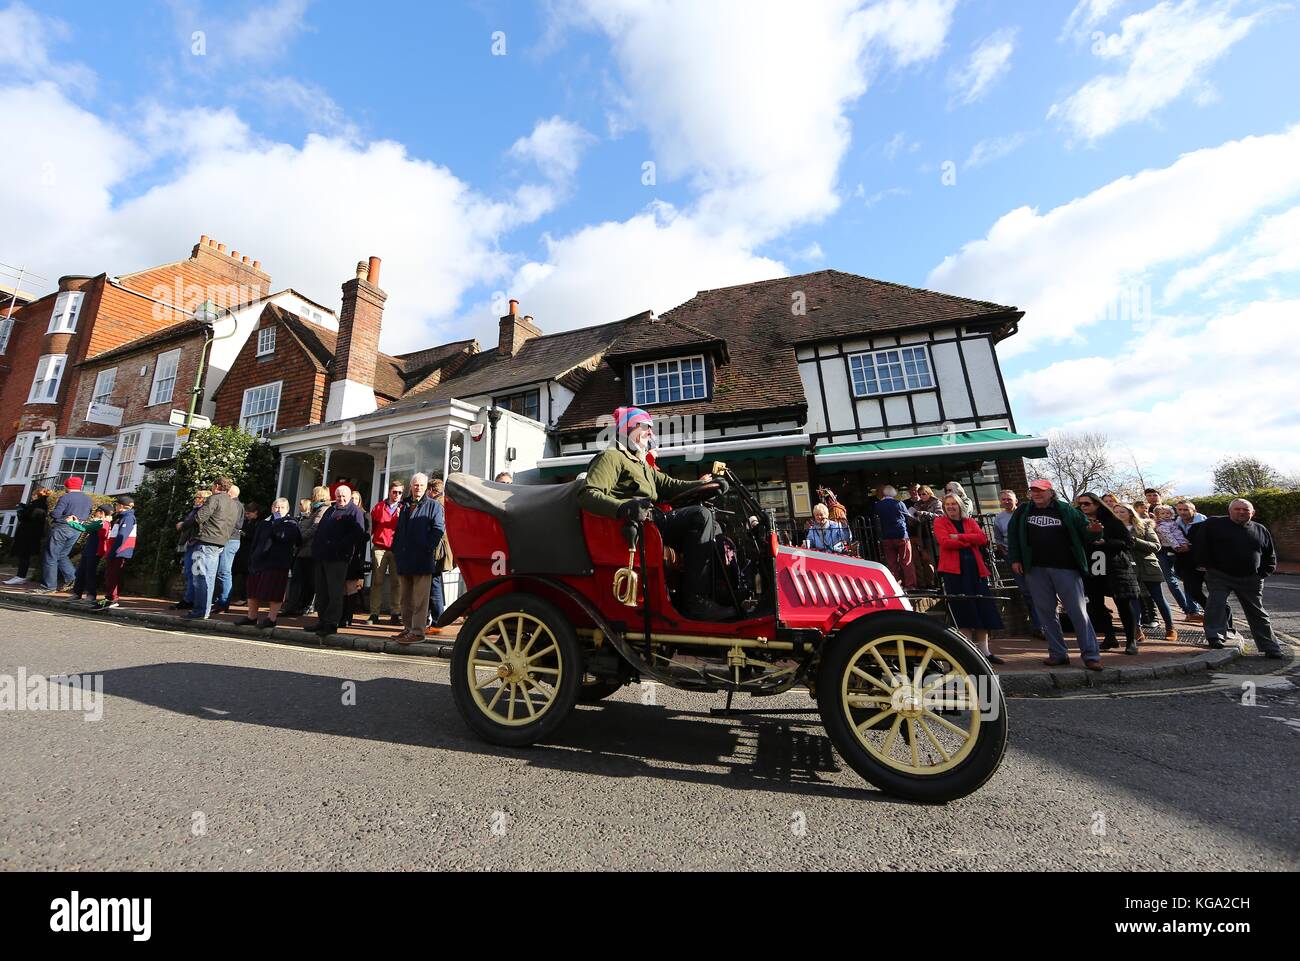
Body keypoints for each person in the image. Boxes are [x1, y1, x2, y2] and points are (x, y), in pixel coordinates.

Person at [577, 406, 732, 621]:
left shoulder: (641, 464)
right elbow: (587, 495)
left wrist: (708, 485)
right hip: (642, 524)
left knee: (713, 524)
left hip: (654, 522)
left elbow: (670, 485)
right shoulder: (611, 457)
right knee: (700, 516)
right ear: (628, 428)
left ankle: (718, 589)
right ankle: (695, 601)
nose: (651, 433)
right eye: (645, 427)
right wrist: (622, 508)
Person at [1008, 478, 1103, 670]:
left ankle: (1091, 655)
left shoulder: (1066, 510)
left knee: (1078, 611)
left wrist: (1095, 532)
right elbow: (1013, 535)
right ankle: (1058, 653)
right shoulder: (1024, 511)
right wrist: (1016, 559)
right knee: (1046, 613)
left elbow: (1087, 532)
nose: (1036, 494)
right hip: (1035, 569)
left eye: (1041, 491)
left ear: (1051, 492)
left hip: (1065, 568)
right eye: (1033, 491)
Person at [1196, 499, 1283, 658]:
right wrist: (1208, 565)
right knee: (1216, 603)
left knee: (1257, 612)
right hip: (1220, 575)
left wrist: (1263, 572)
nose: (1242, 512)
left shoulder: (1260, 529)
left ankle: (1270, 646)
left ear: (1253, 513)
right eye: (1237, 509)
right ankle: (1215, 636)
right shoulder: (1213, 524)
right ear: (1229, 511)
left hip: (1251, 578)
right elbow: (1201, 545)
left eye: (1246, 510)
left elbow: (1270, 554)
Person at [936, 494, 1005, 663]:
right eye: (948, 504)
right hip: (954, 573)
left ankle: (985, 652)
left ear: (960, 505)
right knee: (963, 611)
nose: (951, 507)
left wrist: (959, 537)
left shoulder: (969, 522)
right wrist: (969, 541)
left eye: (954, 504)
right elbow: (945, 543)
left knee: (983, 609)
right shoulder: (940, 522)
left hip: (976, 571)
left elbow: (983, 538)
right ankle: (969, 654)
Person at [1076, 492, 1143, 655]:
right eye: (1081, 504)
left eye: (1087, 503)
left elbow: (1127, 542)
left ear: (1097, 504)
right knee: (1096, 605)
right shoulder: (1079, 522)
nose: (1083, 507)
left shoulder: (1112, 521)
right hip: (1092, 568)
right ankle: (1109, 636)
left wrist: (1106, 542)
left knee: (1123, 604)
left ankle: (1131, 640)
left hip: (1115, 567)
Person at [304, 484, 368, 638]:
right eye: (338, 496)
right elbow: (320, 531)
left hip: (338, 558)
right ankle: (322, 620)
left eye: (344, 496)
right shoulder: (331, 509)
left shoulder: (355, 511)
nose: (341, 499)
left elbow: (357, 533)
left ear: (349, 496)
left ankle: (331, 623)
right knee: (321, 591)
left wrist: (338, 546)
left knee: (334, 592)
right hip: (321, 556)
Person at [392, 472, 444, 644]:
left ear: (426, 487)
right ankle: (407, 629)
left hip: (422, 559)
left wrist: (427, 547)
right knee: (405, 598)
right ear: (411, 486)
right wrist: (397, 550)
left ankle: (418, 632)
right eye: (415, 485)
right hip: (404, 558)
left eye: (421, 485)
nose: (418, 488)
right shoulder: (404, 504)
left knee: (420, 599)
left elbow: (438, 529)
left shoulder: (433, 506)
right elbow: (398, 530)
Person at [1114, 503, 1176, 641]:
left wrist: (1135, 541)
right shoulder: (1114, 529)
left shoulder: (1144, 526)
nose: (1119, 514)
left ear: (1130, 512)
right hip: (1129, 569)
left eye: (1122, 511)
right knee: (1134, 600)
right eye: (1116, 512)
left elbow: (1156, 546)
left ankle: (1170, 628)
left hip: (1148, 567)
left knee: (1158, 598)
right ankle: (1137, 630)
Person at [237, 498, 302, 630]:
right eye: (276, 507)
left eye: (282, 508)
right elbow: (255, 542)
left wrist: (278, 522)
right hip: (259, 561)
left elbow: (282, 536)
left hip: (277, 563)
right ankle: (251, 617)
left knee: (274, 592)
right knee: (253, 590)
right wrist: (252, 558)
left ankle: (271, 619)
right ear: (272, 508)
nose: (278, 510)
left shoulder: (291, 523)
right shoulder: (264, 523)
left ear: (287, 510)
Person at [186, 477, 242, 619]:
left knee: (200, 576)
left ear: (217, 486)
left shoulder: (214, 499)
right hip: (221, 542)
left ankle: (199, 611)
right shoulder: (234, 504)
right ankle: (204, 611)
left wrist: (187, 524)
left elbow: (200, 517)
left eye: (212, 486)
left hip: (206, 540)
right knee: (209, 577)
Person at [991, 490, 1042, 637]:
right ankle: (1037, 626)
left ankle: (1044, 624)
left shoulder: (1026, 514)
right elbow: (998, 539)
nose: (1006, 501)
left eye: (1009, 499)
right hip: (1013, 556)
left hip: (1031, 555)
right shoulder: (999, 519)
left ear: (1016, 500)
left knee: (1039, 590)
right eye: (1004, 499)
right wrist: (1007, 554)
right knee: (1026, 591)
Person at [34, 477, 93, 593]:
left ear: (67, 486)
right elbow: (87, 514)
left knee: (51, 556)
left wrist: (50, 513)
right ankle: (72, 578)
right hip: (77, 529)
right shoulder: (87, 499)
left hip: (62, 528)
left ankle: (49, 586)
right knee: (62, 555)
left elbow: (56, 514)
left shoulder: (66, 497)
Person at [282, 487, 330, 617]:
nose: (312, 496)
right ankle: (294, 605)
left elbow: (315, 527)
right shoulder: (316, 509)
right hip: (304, 549)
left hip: (310, 550)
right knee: (299, 579)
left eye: (314, 494)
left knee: (307, 580)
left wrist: (300, 537)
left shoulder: (322, 509)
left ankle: (301, 606)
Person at [1153, 505, 1200, 619]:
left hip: (1180, 550)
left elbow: (1179, 534)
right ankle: (1187, 610)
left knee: (1187, 579)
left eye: (1167, 513)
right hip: (1169, 550)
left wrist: (1186, 544)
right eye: (1162, 514)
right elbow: (1169, 537)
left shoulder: (1175, 522)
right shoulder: (1160, 525)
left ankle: (1193, 611)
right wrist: (1177, 546)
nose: (1165, 515)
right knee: (1172, 581)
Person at [369, 478, 404, 625]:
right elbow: (374, 524)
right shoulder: (379, 507)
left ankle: (395, 612)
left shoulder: (404, 508)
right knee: (377, 581)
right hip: (380, 547)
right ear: (389, 491)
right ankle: (374, 613)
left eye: (400, 493)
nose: (396, 495)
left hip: (396, 548)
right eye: (394, 492)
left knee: (397, 582)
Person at [95, 496, 137, 611]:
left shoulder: (128, 518)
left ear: (122, 506)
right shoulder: (121, 517)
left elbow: (122, 537)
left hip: (119, 552)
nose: (116, 507)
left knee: (113, 575)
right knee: (110, 575)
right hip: (116, 551)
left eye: (117, 505)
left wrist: (114, 551)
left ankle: (112, 599)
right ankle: (109, 598)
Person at [171, 489, 210, 610]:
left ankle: (192, 600)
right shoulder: (195, 510)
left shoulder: (203, 511)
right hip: (191, 543)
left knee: (195, 573)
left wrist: (183, 524)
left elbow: (194, 523)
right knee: (189, 572)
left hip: (196, 542)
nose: (195, 499)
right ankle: (189, 598)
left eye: (198, 497)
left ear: (203, 499)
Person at [211, 483, 246, 615]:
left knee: (223, 571)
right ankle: (221, 601)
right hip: (230, 539)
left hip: (230, 540)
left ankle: (224, 602)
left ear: (230, 493)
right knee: (222, 570)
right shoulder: (237, 505)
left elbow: (233, 523)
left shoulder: (234, 505)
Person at [4, 488, 50, 585]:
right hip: (32, 534)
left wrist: (21, 510)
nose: (32, 497)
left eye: (33, 495)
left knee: (24, 555)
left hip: (28, 534)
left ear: (37, 495)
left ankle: (21, 576)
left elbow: (26, 517)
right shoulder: (42, 505)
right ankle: (20, 575)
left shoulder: (36, 505)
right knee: (24, 556)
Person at [874, 485, 916, 590]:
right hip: (901, 535)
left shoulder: (878, 505)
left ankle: (897, 586)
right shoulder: (899, 503)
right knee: (906, 561)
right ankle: (910, 585)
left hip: (886, 536)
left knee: (892, 563)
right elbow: (909, 516)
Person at [1173, 500, 1209, 619]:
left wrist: (1191, 547)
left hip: (1206, 564)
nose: (1183, 512)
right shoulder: (1174, 524)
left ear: (1194, 510)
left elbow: (1211, 543)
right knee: (1193, 591)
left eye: (1186, 509)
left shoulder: (1206, 523)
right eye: (1180, 510)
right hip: (1186, 564)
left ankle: (1224, 622)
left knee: (1216, 594)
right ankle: (1211, 612)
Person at [68, 506, 112, 602]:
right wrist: (77, 522)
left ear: (102, 513)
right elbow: (87, 527)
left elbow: (85, 528)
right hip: (89, 550)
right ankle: (77, 593)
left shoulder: (102, 523)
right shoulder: (100, 522)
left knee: (89, 573)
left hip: (95, 551)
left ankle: (91, 594)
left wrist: (71, 522)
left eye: (96, 511)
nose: (94, 513)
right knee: (81, 572)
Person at [341, 489, 370, 628]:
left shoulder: (364, 515)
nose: (353, 501)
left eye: (355, 499)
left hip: (355, 555)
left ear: (360, 501)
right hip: (342, 555)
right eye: (351, 498)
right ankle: (341, 616)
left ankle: (348, 617)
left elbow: (367, 535)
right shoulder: (343, 513)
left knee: (351, 586)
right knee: (342, 587)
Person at [425, 478, 449, 636]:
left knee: (433, 585)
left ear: (431, 490)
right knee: (435, 583)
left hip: (436, 550)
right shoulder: (444, 501)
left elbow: (436, 528)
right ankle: (435, 620)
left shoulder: (437, 504)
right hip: (441, 549)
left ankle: (437, 622)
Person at [909, 485, 944, 588]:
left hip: (934, 533)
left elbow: (940, 516)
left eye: (924, 494)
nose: (921, 496)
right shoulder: (917, 504)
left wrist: (924, 513)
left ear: (929, 493)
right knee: (928, 560)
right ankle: (933, 582)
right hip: (922, 534)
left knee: (938, 558)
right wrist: (911, 517)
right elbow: (913, 519)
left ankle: (941, 583)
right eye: (920, 494)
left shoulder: (936, 502)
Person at [230, 501, 261, 605]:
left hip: (249, 552)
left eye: (249, 513)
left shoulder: (258, 523)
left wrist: (241, 533)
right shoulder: (246, 522)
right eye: (246, 513)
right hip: (241, 551)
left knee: (246, 576)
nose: (247, 516)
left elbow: (254, 537)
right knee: (235, 573)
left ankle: (244, 597)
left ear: (255, 512)